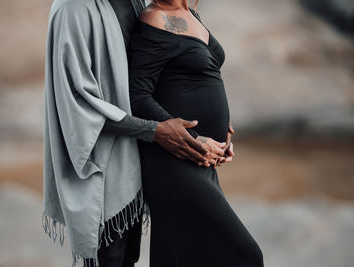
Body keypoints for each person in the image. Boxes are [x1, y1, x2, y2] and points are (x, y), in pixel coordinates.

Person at [42, 0, 233, 266]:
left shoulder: (137, 3)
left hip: (139, 164)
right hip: (102, 168)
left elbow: (159, 76)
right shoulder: (72, 9)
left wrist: (208, 127)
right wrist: (156, 131)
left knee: (129, 258)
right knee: (107, 259)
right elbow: (77, 100)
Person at [128, 0, 263, 266]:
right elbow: (137, 96)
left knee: (179, 256)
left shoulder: (190, 12)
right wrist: (187, 135)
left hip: (200, 158)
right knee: (245, 256)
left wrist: (223, 127)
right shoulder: (154, 18)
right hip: (173, 160)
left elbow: (199, 78)